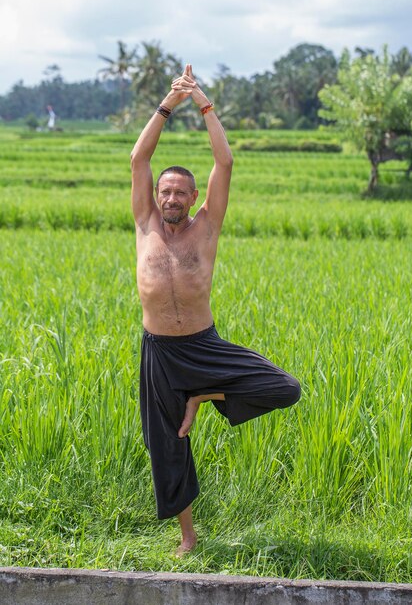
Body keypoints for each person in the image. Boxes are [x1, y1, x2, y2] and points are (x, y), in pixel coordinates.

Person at [130, 64, 301, 556]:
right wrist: (168, 103)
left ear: (194, 198)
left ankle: (201, 397)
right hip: (160, 351)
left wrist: (203, 102)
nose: (171, 197)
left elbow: (224, 163)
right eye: (166, 191)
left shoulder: (207, 227)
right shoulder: (145, 223)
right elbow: (139, 158)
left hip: (203, 347)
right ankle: (187, 537)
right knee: (167, 443)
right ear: (155, 196)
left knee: (284, 388)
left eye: (181, 191)